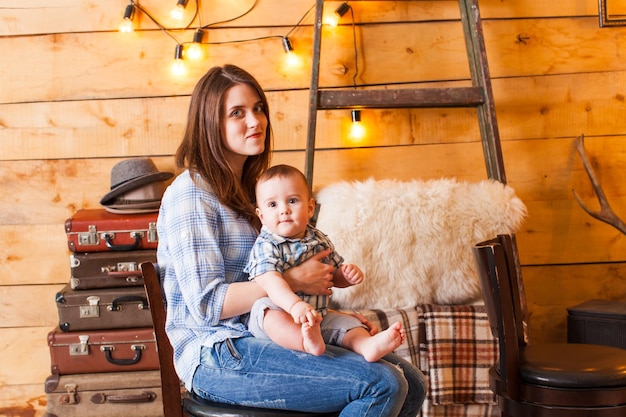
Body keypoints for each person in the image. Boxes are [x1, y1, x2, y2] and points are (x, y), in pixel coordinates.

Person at [156, 63, 427, 416]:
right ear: (210, 123)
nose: (255, 121)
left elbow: (270, 278)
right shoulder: (192, 193)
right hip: (217, 354)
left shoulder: (253, 193)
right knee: (381, 384)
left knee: (412, 384)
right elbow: (208, 305)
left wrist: (327, 317)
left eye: (258, 108)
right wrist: (291, 280)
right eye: (237, 113)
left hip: (262, 331)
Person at [246, 164, 406, 362]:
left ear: (310, 207)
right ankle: (305, 342)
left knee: (347, 322)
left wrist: (345, 276)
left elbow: (331, 275)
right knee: (268, 312)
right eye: (272, 205)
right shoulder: (267, 244)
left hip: (317, 315)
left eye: (292, 201)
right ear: (261, 216)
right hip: (281, 313)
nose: (284, 210)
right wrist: (295, 306)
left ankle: (367, 345)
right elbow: (271, 282)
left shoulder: (318, 239)